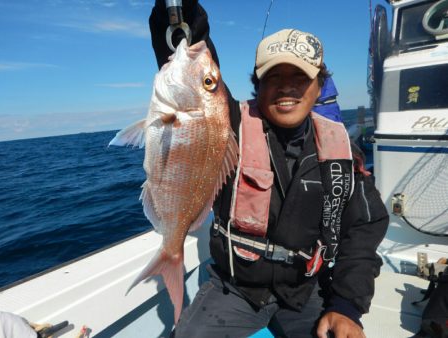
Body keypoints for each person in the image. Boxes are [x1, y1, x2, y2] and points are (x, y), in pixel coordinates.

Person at [149, 1, 389, 337]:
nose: (286, 86)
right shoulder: (225, 125)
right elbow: (189, 57)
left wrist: (346, 306)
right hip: (233, 289)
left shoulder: (341, 151)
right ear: (256, 85)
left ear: (319, 87)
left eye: (300, 77)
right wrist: (177, 9)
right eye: (273, 76)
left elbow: (364, 229)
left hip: (305, 290)